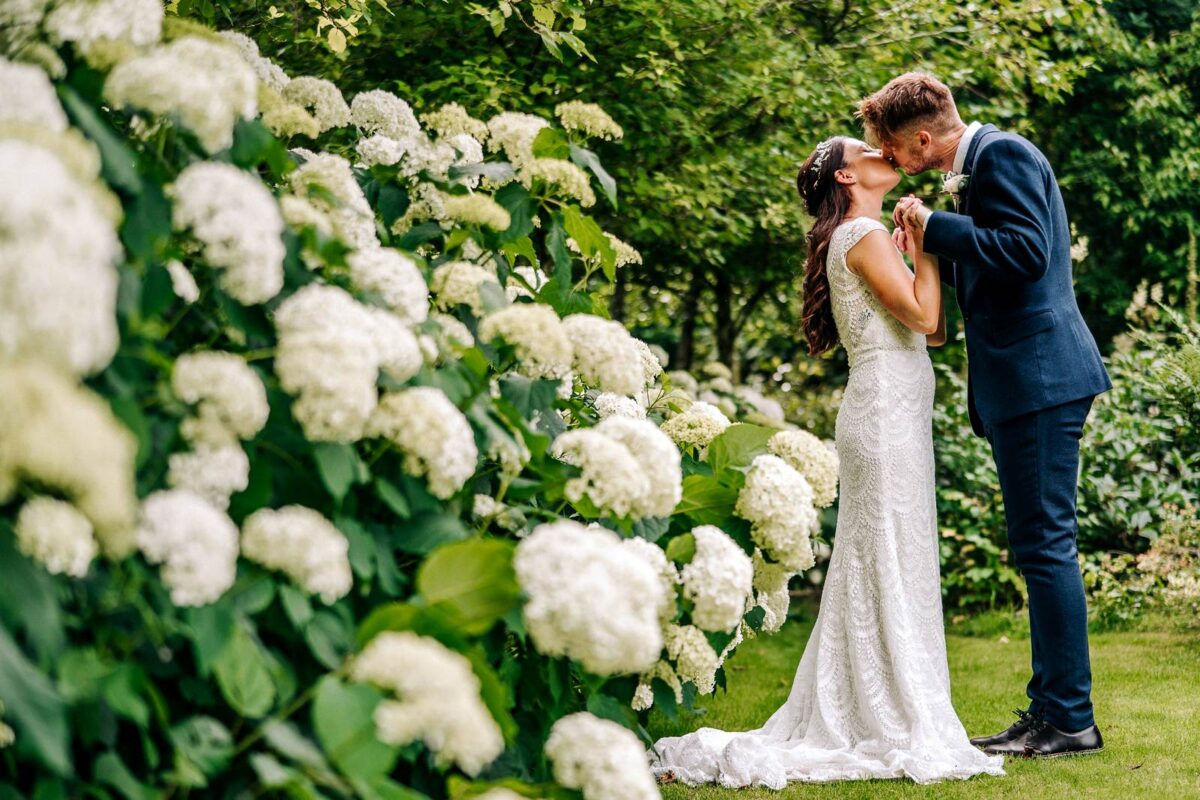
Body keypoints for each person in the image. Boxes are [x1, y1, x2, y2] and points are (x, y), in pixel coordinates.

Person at [647, 133, 1005, 787]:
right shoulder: (862, 236)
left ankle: (888, 703)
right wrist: (925, 239)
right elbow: (929, 318)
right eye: (865, 149)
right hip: (882, 414)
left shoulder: (866, 235)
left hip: (896, 410)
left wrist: (920, 247)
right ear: (847, 176)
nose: (881, 151)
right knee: (885, 556)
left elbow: (936, 328)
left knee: (894, 555)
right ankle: (885, 712)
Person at [861, 71, 1111, 758]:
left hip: (1042, 378)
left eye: (894, 150)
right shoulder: (980, 166)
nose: (893, 162)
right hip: (1023, 383)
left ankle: (1069, 720)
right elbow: (995, 260)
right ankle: (1049, 709)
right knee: (1038, 549)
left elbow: (1027, 254)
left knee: (1046, 546)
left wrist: (936, 224)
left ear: (920, 139)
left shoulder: (1003, 155)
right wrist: (934, 243)